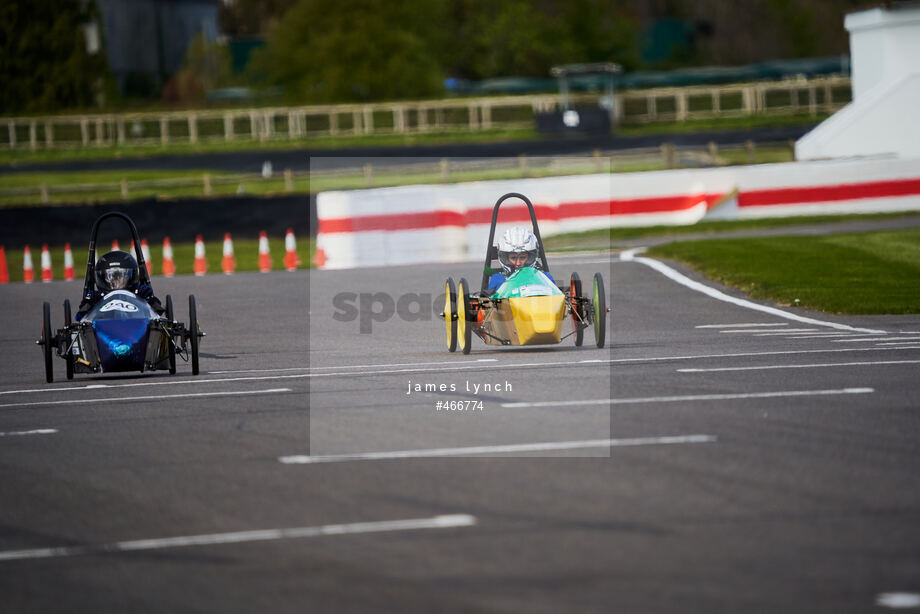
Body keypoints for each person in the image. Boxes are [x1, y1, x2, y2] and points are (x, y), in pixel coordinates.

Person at [77, 251, 163, 319]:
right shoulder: (95, 296)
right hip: (104, 330)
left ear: (130, 276)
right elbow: (80, 317)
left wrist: (150, 299)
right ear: (102, 278)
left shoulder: (140, 292)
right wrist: (88, 302)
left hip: (136, 326)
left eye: (120, 276)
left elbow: (158, 310)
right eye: (112, 276)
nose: (116, 281)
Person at [486, 226, 554, 294]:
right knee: (497, 278)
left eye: (522, 257)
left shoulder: (543, 278)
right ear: (505, 258)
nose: (518, 263)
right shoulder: (499, 280)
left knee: (546, 276)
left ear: (530, 257)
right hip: (507, 304)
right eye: (513, 258)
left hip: (537, 304)